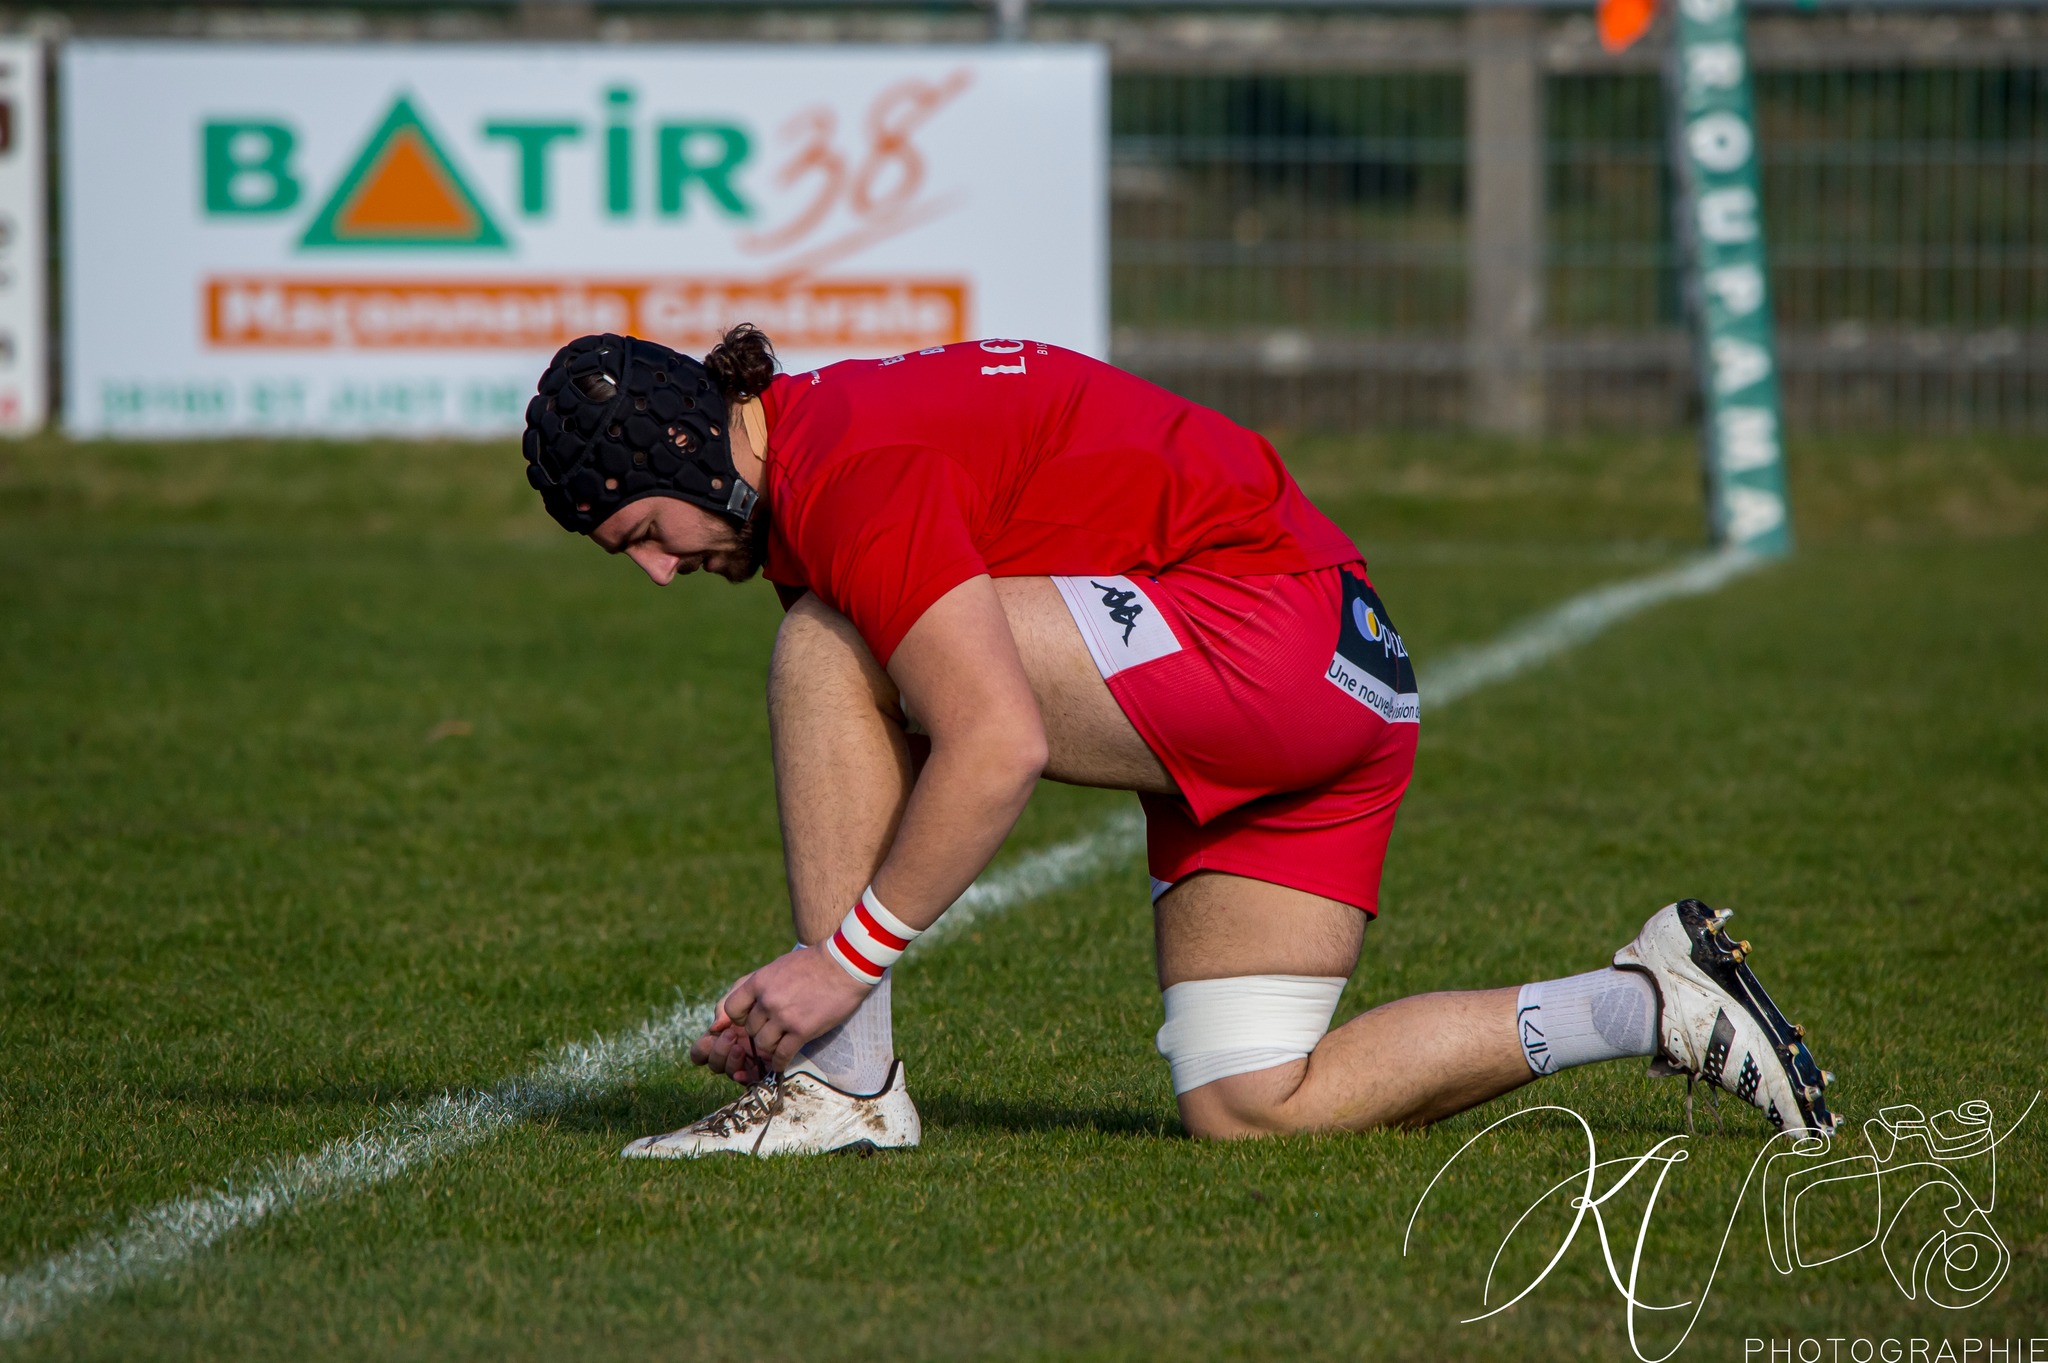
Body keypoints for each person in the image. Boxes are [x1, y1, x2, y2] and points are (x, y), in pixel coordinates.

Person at [520, 327, 1839, 1158]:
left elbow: (996, 745)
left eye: (640, 531)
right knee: (1254, 1104)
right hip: (1348, 682)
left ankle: (846, 1086)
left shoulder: (850, 469)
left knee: (823, 637)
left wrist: (835, 969)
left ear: (688, 448)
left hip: (1265, 639)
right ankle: (1654, 1000)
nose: (653, 572)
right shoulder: (838, 431)